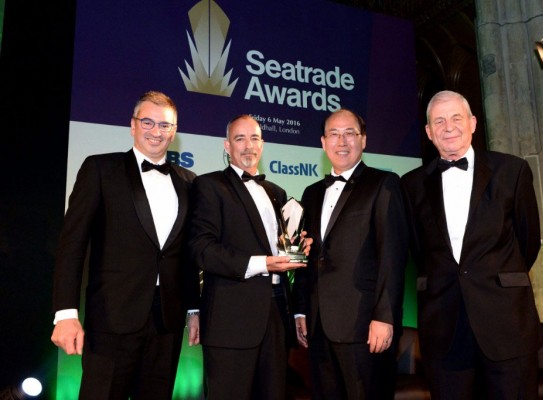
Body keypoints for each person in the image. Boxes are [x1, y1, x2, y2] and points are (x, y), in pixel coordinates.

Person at [51, 91, 200, 399]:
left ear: (174, 131)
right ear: (133, 125)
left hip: (167, 322)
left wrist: (194, 308)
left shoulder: (189, 181)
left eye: (165, 125)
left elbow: (188, 253)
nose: (156, 131)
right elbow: (72, 244)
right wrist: (65, 313)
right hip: (112, 318)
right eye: (148, 122)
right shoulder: (100, 169)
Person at [400, 90, 542, 399]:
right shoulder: (410, 185)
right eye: (439, 121)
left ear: (473, 123)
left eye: (456, 118)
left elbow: (528, 242)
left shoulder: (512, 171)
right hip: (443, 327)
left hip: (505, 322)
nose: (448, 127)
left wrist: (495, 277)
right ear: (428, 132)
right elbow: (417, 251)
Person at [188, 114, 310, 400]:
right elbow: (201, 248)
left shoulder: (277, 193)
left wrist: (298, 246)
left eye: (254, 138)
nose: (248, 145)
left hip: (277, 316)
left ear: (263, 144)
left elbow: (282, 247)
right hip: (231, 320)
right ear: (227, 145)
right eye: (239, 138)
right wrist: (262, 263)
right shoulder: (208, 186)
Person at [292, 108, 408, 400]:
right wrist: (301, 308)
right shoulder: (311, 193)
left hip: (365, 326)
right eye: (334, 134)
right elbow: (308, 256)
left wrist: (385, 317)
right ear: (322, 142)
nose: (341, 141)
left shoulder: (384, 184)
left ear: (364, 140)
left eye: (350, 133)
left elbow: (392, 256)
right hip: (319, 327)